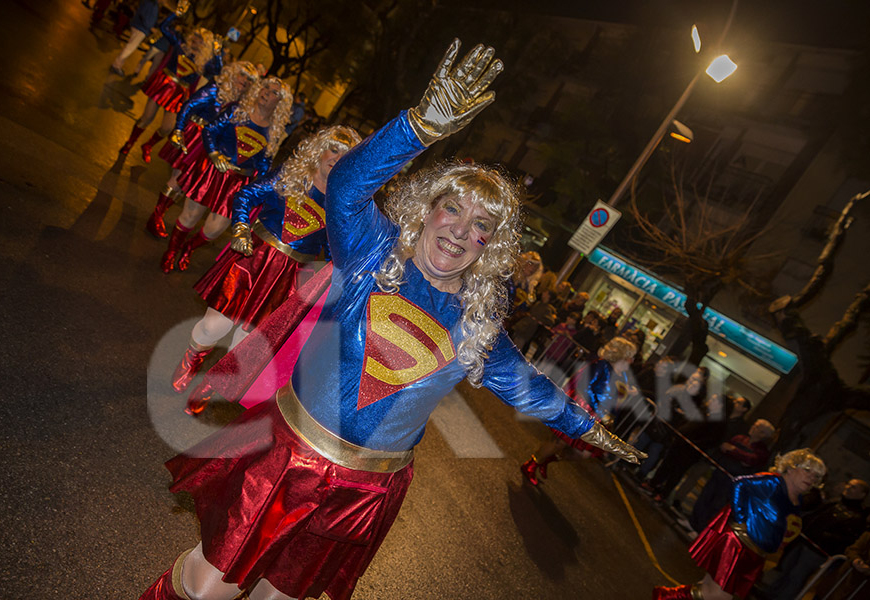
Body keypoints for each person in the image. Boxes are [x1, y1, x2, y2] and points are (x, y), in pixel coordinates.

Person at [137, 39, 645, 600]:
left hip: (364, 488)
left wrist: (590, 429)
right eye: (452, 208)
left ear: (491, 247)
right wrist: (420, 126)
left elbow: (530, 389)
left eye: (482, 226)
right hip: (283, 453)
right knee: (208, 587)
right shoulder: (373, 253)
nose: (460, 229)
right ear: (426, 209)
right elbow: (349, 184)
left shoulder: (477, 325)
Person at [170, 126, 362, 411]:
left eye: (345, 155)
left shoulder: (342, 204)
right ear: (320, 149)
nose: (336, 158)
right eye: (333, 149)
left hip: (287, 277)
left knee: (246, 342)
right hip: (252, 259)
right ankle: (192, 357)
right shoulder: (292, 174)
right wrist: (240, 229)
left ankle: (211, 383)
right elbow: (246, 196)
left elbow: (336, 250)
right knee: (213, 326)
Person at [653, 448, 827, 600]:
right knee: (719, 595)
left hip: (755, 552)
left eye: (816, 476)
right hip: (737, 544)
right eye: (808, 471)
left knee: (709, 590)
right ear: (791, 467)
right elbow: (740, 484)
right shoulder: (772, 482)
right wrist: (743, 519)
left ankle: (665, 596)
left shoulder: (798, 499)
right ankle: (664, 596)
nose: (811, 478)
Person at [160, 76, 292, 273]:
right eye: (265, 87)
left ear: (280, 103)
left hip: (237, 182)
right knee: (190, 215)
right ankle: (171, 251)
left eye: (274, 92)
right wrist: (214, 153)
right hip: (212, 171)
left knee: (214, 230)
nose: (266, 93)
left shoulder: (275, 132)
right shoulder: (237, 110)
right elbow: (210, 130)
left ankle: (189, 247)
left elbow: (264, 163)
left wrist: (259, 190)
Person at [145, 60, 260, 238]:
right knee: (178, 178)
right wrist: (178, 129)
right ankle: (156, 215)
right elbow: (189, 105)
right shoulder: (216, 88)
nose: (244, 81)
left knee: (188, 184)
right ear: (232, 72)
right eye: (242, 75)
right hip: (195, 138)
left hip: (214, 146)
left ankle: (159, 214)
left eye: (250, 80)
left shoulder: (243, 103)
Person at [520, 336, 640, 485]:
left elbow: (615, 394)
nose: (632, 361)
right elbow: (584, 387)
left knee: (582, 454)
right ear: (622, 356)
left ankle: (547, 459)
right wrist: (600, 411)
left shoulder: (623, 375)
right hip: (581, 410)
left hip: (596, 417)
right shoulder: (601, 365)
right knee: (558, 442)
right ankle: (531, 464)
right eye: (631, 357)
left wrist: (627, 392)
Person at [118, 9, 221, 163]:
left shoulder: (204, 61)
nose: (197, 41)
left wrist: (218, 53)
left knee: (167, 128)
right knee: (146, 118)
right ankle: (130, 142)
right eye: (197, 37)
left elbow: (218, 71)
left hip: (179, 93)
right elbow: (164, 28)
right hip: (164, 84)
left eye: (202, 40)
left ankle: (148, 145)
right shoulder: (180, 44)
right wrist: (176, 14)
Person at [758, 477, 869, 600]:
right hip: (803, 541)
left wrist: (824, 536)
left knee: (796, 576)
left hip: (817, 551)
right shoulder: (836, 502)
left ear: (862, 494)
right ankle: (769, 595)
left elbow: (847, 540)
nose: (847, 487)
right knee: (785, 569)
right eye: (848, 484)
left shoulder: (857, 517)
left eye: (853, 487)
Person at [689, 419, 774, 533]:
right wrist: (737, 453)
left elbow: (750, 460)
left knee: (717, 505)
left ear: (763, 434)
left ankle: (702, 530)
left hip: (732, 482)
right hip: (720, 472)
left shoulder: (762, 451)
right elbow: (725, 447)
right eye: (754, 425)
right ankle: (693, 522)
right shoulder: (740, 438)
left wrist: (734, 451)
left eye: (757, 427)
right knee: (705, 497)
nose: (753, 427)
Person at [109, 0, 162, 76]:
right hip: (141, 28)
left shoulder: (153, 3)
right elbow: (143, 15)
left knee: (129, 48)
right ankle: (116, 65)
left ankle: (118, 65)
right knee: (129, 48)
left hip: (140, 27)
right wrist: (151, 27)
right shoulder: (151, 3)